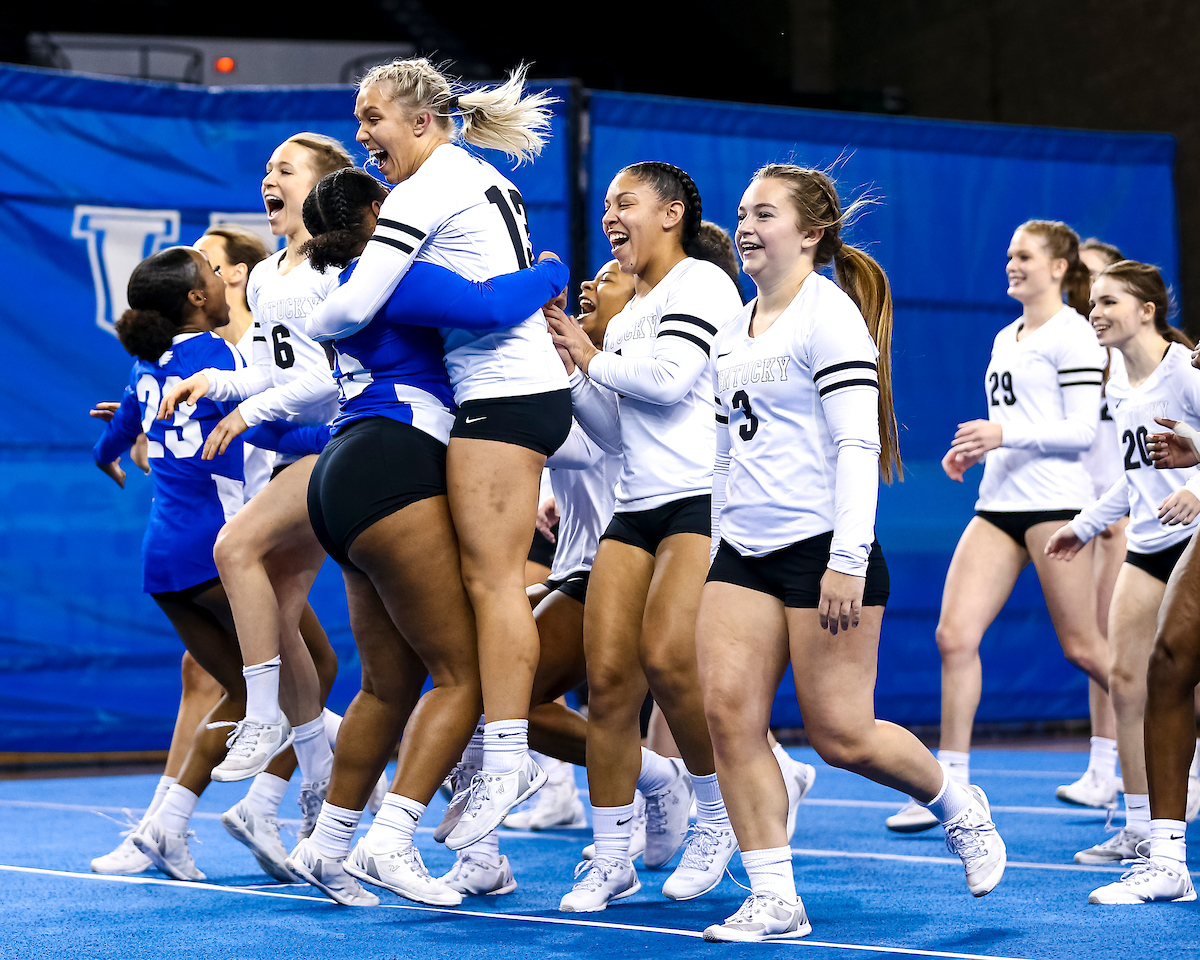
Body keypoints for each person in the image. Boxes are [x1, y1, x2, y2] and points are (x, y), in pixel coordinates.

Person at [694, 164, 1005, 942]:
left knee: (841, 736)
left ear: (810, 233)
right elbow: (726, 451)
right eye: (741, 211)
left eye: (763, 213)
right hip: (744, 550)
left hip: (822, 548)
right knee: (728, 717)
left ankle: (959, 804)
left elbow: (858, 445)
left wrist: (847, 556)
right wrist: (718, 541)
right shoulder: (733, 328)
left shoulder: (827, 316)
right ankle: (775, 897)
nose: (745, 224)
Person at [278, 167, 574, 907]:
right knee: (464, 673)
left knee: (387, 684)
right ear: (383, 212)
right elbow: (496, 304)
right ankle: (393, 839)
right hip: (394, 463)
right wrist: (553, 267)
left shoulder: (345, 285)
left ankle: (328, 844)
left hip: (343, 472)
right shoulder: (394, 276)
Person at [547, 161, 746, 912]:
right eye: (605, 206)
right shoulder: (630, 313)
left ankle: (715, 814)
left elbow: (664, 381)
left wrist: (595, 356)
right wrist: (574, 364)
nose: (610, 217)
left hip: (699, 499)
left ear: (672, 213)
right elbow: (611, 435)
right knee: (607, 685)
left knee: (667, 656)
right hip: (635, 506)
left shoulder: (703, 284)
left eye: (624, 203)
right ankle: (609, 856)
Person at [887, 220, 1113, 833]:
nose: (1011, 264)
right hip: (997, 505)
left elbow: (1081, 432)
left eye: (1025, 256)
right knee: (953, 635)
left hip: (1054, 507)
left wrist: (1003, 434)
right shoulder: (1005, 336)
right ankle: (949, 785)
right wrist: (975, 449)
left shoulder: (1074, 336)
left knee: (1084, 648)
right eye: (1009, 254)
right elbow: (1008, 418)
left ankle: (1171, 722)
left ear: (1060, 267)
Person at [157, 135, 352, 830]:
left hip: (346, 443)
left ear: (324, 187)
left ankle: (265, 716)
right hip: (310, 453)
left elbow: (327, 380)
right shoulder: (270, 274)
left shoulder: (343, 267)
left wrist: (248, 410)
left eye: (285, 169)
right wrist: (213, 381)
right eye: (265, 168)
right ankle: (320, 782)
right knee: (283, 615)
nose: (268, 177)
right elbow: (272, 374)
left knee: (235, 550)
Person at [93, 246, 252, 881]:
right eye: (212, 275)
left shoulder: (142, 367)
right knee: (302, 679)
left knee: (247, 695)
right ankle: (352, 805)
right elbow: (262, 423)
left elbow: (114, 436)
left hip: (162, 560)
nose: (222, 281)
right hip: (217, 551)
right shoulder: (216, 359)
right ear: (194, 298)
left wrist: (107, 455)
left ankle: (168, 825)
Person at [1043, 260, 1198, 903]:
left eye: (1107, 301)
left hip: (1193, 538)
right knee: (1127, 678)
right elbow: (1133, 479)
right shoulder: (1116, 383)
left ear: (1147, 309)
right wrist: (1084, 525)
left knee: (1172, 673)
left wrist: (1195, 489)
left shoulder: (1184, 374)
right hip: (1146, 545)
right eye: (1089, 304)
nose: (1094, 312)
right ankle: (1143, 833)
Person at [1055, 238, 1128, 808]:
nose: (1092, 296)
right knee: (1095, 642)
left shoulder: (1133, 356)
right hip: (1089, 509)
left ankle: (1179, 759)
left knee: (1122, 644)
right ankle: (1104, 764)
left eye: (1100, 282)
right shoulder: (1069, 345)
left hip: (1131, 516)